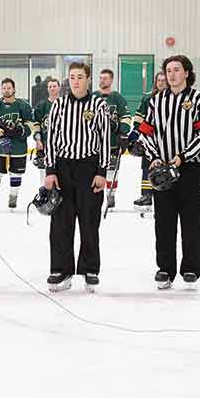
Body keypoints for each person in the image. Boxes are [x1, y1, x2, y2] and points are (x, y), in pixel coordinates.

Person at [138, 55, 200, 289]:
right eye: (168, 70)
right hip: (162, 169)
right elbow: (146, 131)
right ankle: (165, 269)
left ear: (187, 73)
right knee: (164, 220)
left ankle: (190, 268)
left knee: (191, 220)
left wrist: (182, 157)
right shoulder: (156, 101)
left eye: (176, 70)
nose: (171, 74)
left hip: (189, 168)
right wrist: (155, 156)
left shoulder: (198, 99)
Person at [43, 63, 110, 292]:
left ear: (88, 79)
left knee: (89, 220)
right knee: (61, 221)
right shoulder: (59, 104)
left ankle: (90, 269)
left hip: (89, 167)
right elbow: (51, 138)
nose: (76, 81)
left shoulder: (98, 104)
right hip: (63, 168)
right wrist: (50, 170)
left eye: (80, 77)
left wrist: (102, 172)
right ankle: (61, 269)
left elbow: (105, 139)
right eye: (72, 77)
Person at [0, 78, 36, 209]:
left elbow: (31, 123)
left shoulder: (23, 105)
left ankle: (13, 197)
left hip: (18, 146)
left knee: (16, 173)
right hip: (0, 145)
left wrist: (21, 130)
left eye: (9, 88)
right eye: (4, 88)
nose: (6, 90)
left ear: (14, 89)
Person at [93, 69, 132, 210]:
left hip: (113, 143)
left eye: (105, 78)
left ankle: (110, 195)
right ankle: (96, 195)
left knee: (111, 171)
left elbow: (126, 117)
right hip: (95, 144)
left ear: (111, 80)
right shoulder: (93, 97)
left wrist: (123, 132)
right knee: (94, 172)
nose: (102, 80)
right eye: (100, 78)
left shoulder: (118, 98)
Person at [130, 71, 167, 211]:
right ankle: (146, 195)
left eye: (164, 80)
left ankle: (163, 191)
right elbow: (139, 118)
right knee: (147, 166)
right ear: (155, 82)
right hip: (149, 138)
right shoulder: (147, 98)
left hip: (165, 140)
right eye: (159, 80)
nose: (162, 82)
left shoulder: (173, 98)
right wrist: (135, 133)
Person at [33, 78, 61, 184]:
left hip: (62, 146)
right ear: (47, 89)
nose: (52, 88)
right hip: (44, 144)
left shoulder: (66, 104)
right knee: (44, 174)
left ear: (59, 88)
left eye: (54, 86)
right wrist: (38, 140)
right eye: (50, 87)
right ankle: (44, 196)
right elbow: (36, 124)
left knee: (61, 174)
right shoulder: (41, 106)